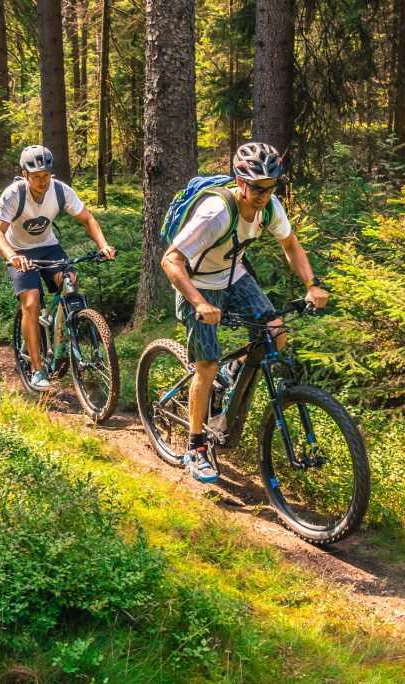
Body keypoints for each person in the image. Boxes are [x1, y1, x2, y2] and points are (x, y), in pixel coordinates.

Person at [160, 142, 330, 483]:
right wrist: (200, 303)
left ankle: (233, 370)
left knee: (276, 333)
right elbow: (170, 260)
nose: (264, 195)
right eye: (257, 188)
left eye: (270, 188)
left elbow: (291, 244)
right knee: (205, 367)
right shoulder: (216, 212)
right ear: (241, 182)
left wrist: (312, 284)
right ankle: (196, 446)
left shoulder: (270, 208)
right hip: (196, 283)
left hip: (233, 275)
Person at [0, 145, 116, 391]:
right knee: (31, 301)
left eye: (46, 175)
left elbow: (87, 219)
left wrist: (103, 245)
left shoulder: (60, 191)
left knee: (70, 280)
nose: (42, 181)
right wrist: (13, 256)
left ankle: (60, 341)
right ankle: (37, 369)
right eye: (36, 176)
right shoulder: (13, 194)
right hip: (20, 252)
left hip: (48, 247)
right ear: (25, 174)